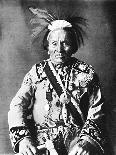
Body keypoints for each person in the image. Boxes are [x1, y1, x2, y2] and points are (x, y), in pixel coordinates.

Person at [8, 7, 108, 155]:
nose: (59, 49)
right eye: (54, 44)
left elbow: (98, 109)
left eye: (65, 43)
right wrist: (24, 139)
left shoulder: (86, 72)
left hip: (77, 145)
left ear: (73, 46)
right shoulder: (36, 72)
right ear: (47, 47)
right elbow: (17, 105)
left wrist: (86, 142)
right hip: (42, 144)